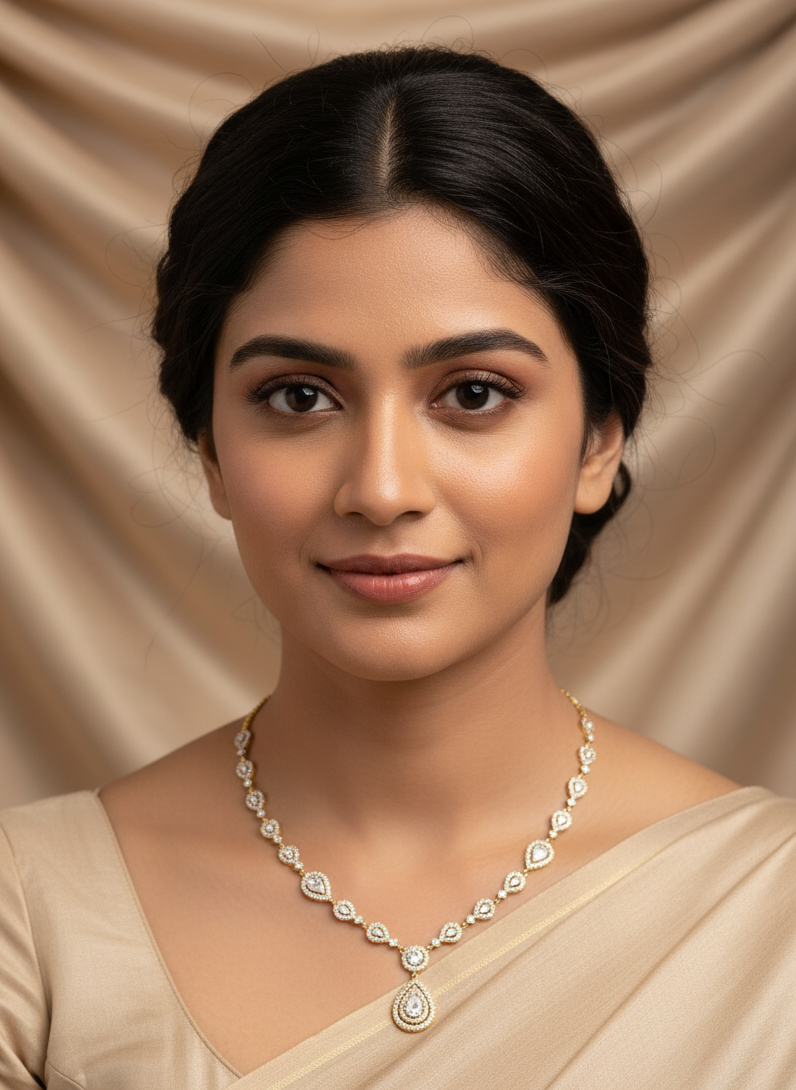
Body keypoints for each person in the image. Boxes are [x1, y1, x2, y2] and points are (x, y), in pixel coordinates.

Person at [0, 45, 794, 1090]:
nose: (380, 488)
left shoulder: (769, 910)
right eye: (297, 396)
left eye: (471, 394)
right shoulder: (33, 912)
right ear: (210, 453)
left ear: (599, 440)